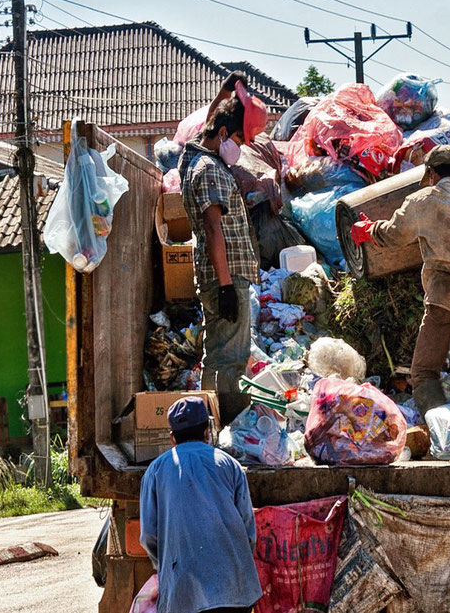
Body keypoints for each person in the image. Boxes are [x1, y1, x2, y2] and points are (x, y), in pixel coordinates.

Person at [351, 145, 450, 416]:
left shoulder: (421, 201)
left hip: (443, 296)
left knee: (423, 371)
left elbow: (395, 235)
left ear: (431, 174)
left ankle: (439, 426)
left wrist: (369, 230)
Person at [178, 74, 262, 423]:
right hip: (225, 277)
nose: (241, 147)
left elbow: (210, 122)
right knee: (231, 357)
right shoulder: (210, 170)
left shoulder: (194, 154)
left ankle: (208, 423)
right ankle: (228, 426)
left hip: (216, 275)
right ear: (224, 134)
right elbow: (214, 229)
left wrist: (226, 92)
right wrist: (227, 285)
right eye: (241, 139)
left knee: (218, 352)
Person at [139, 397, 262, 613]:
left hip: (182, 592)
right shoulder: (229, 465)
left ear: (172, 438)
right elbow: (247, 530)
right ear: (207, 432)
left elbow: (149, 535)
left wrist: (166, 566)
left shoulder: (156, 470)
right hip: (233, 590)